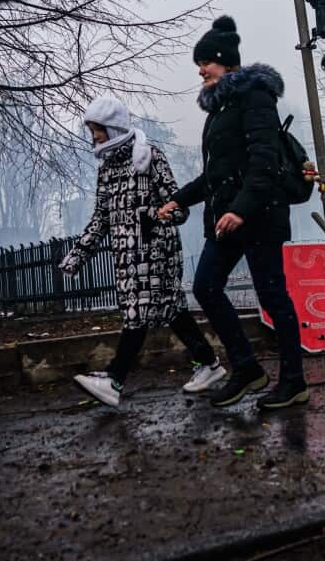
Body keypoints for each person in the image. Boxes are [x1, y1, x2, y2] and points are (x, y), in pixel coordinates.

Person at [158, 16, 308, 410]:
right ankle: (246, 368)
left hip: (258, 213)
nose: (200, 70)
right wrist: (179, 199)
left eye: (205, 62)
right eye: (199, 64)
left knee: (273, 296)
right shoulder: (219, 111)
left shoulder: (256, 97)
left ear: (224, 61)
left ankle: (293, 381)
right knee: (206, 286)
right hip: (227, 219)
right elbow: (216, 175)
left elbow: (264, 163)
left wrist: (241, 209)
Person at [60, 96, 226, 407]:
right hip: (126, 256)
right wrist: (78, 254)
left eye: (98, 131)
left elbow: (178, 208)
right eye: (93, 131)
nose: (94, 137)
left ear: (112, 128)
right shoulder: (106, 169)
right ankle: (210, 365)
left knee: (136, 315)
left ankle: (114, 379)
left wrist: (155, 215)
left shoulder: (149, 156)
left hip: (156, 251)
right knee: (172, 312)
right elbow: (102, 218)